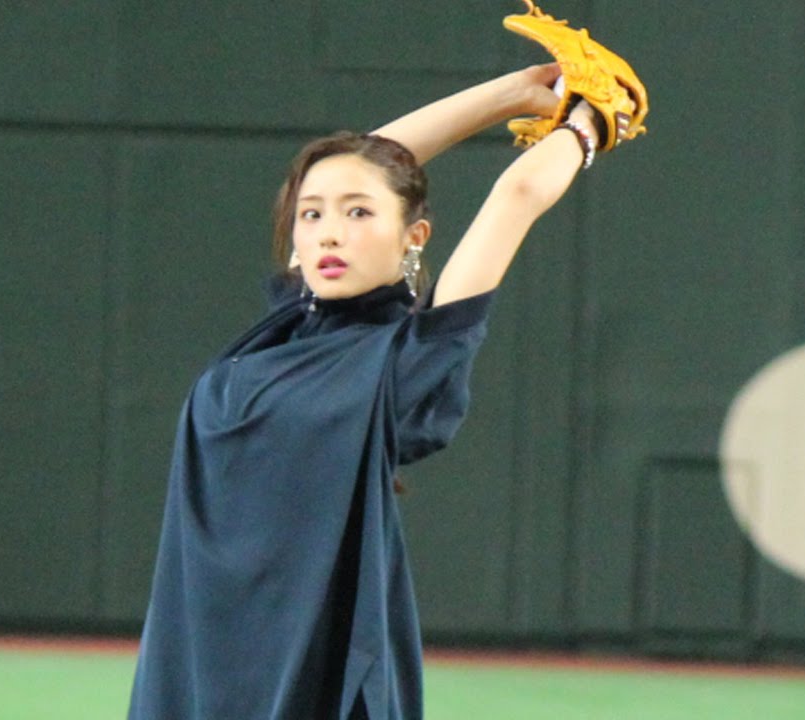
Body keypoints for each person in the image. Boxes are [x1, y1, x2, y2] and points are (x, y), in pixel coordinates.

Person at [127, 62, 630, 719]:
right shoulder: (288, 328)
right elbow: (363, 165)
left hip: (303, 680)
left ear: (413, 237)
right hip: (195, 667)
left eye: (359, 214)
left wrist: (591, 123)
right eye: (311, 216)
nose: (330, 231)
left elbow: (517, 195)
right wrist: (509, 95)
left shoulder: (404, 359)